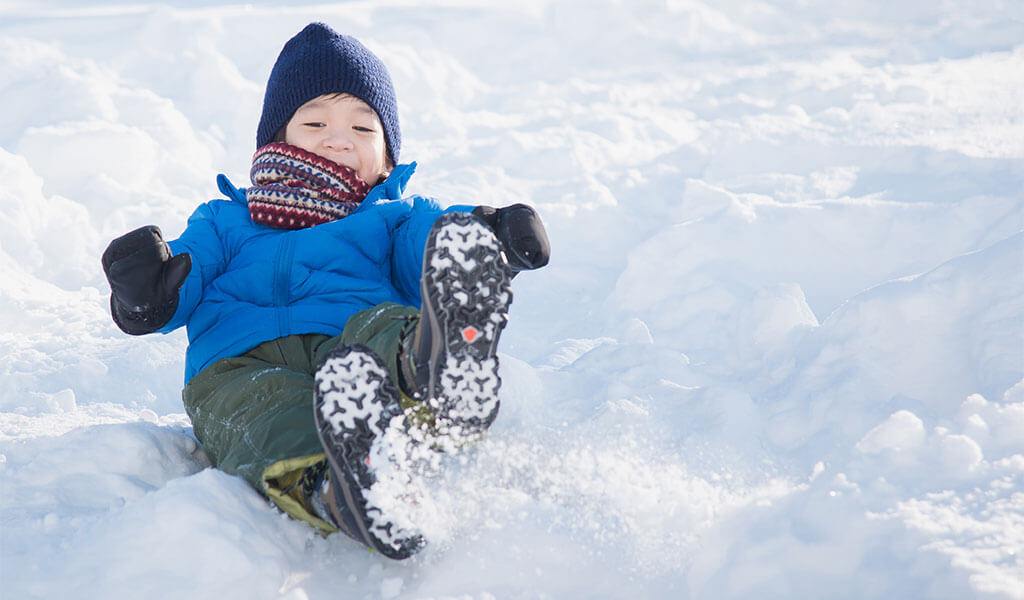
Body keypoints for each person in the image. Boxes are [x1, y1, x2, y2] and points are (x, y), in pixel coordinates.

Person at [100, 22, 549, 560]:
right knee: (264, 413)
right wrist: (147, 290)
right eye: (315, 121)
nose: (340, 138)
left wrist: (484, 236)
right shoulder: (224, 221)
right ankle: (343, 487)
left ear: (386, 158)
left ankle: (436, 368)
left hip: (353, 347)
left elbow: (427, 246)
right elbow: (185, 278)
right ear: (276, 141)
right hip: (238, 364)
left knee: (382, 329)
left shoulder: (391, 218)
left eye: (364, 129)